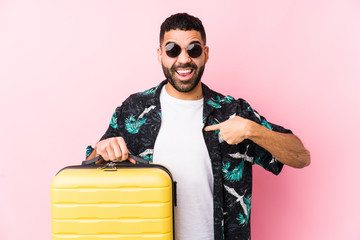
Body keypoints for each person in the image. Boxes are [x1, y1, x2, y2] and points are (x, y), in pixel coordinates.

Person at [85, 13, 310, 240]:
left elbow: (301, 157)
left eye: (193, 49)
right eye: (173, 50)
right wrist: (103, 150)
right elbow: (87, 171)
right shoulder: (134, 110)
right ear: (160, 54)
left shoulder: (232, 111)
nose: (183, 59)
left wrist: (252, 130)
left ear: (205, 54)